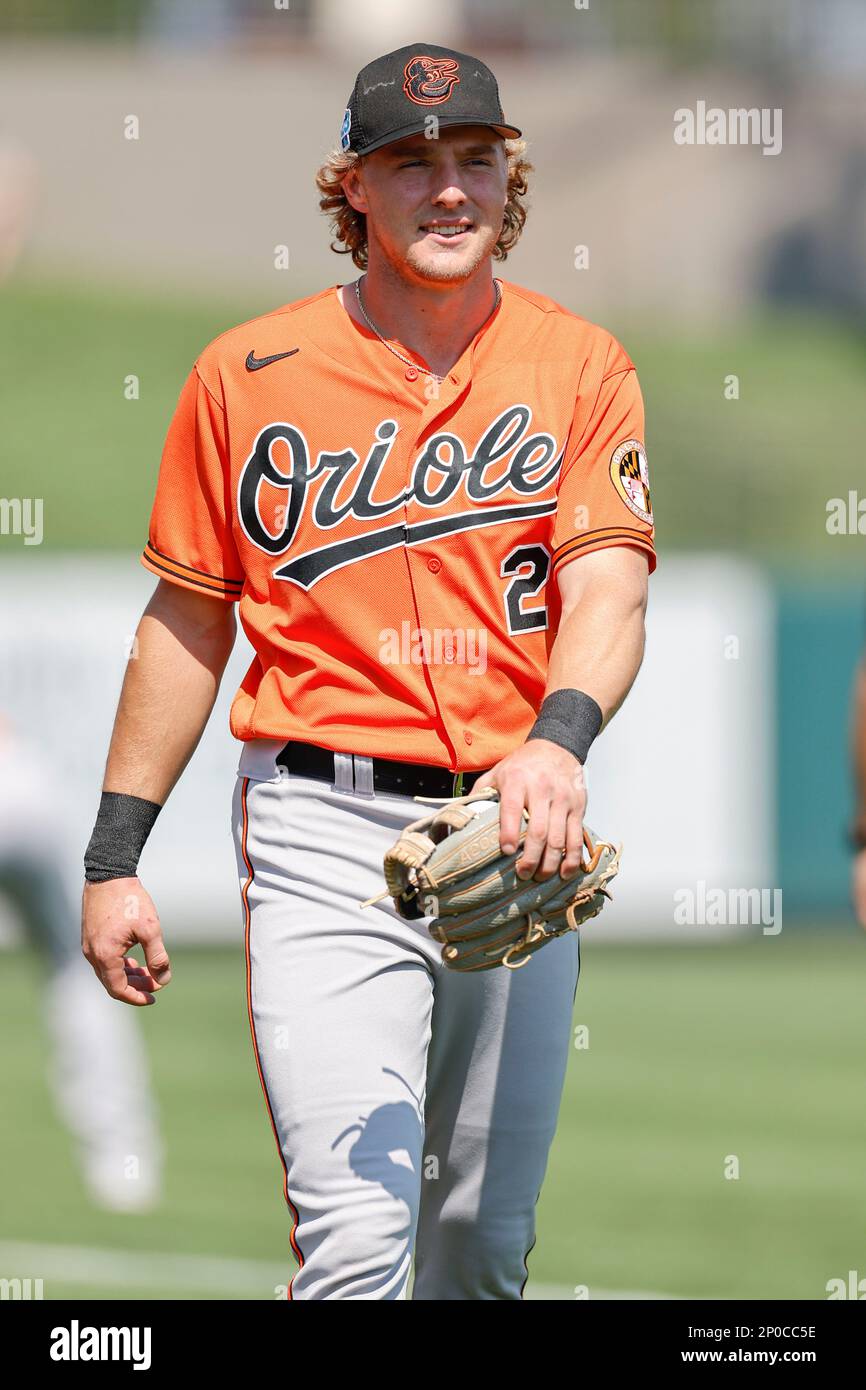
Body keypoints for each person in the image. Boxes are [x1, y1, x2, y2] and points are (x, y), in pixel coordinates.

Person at [82, 42, 655, 1300]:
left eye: (475, 160)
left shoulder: (580, 364)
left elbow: (609, 585)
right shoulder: (246, 374)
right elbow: (187, 619)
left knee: (478, 1248)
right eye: (410, 163)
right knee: (354, 1244)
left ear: (509, 178)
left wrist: (557, 739)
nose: (449, 189)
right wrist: (115, 856)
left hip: (516, 822)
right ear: (350, 188)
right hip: (319, 826)